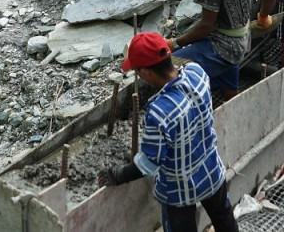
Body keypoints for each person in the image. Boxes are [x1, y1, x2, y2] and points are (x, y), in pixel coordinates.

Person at [99, 32, 239, 232]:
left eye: (137, 70)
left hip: (180, 190)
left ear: (147, 72)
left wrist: (118, 174)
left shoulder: (158, 112)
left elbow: (149, 163)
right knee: (224, 218)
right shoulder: (196, 73)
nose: (138, 75)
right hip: (211, 171)